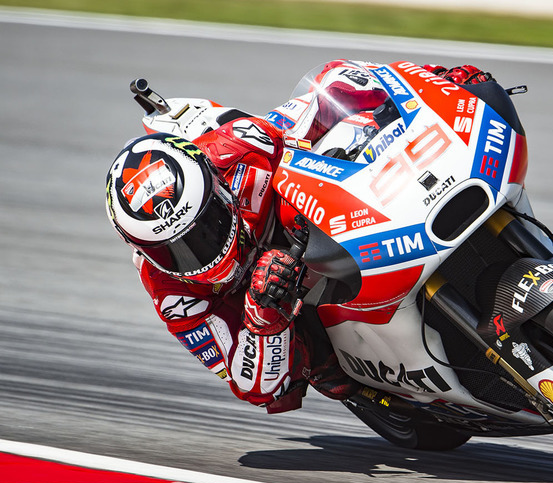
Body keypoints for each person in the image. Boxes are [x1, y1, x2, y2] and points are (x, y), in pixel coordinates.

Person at [104, 61, 494, 414]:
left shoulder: (241, 147)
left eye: (206, 227)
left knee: (350, 123)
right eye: (173, 250)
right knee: (317, 373)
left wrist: (436, 84)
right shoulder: (172, 295)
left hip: (315, 225)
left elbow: (329, 91)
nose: (197, 252)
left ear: (219, 189)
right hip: (277, 305)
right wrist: (262, 315)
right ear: (140, 249)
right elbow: (254, 389)